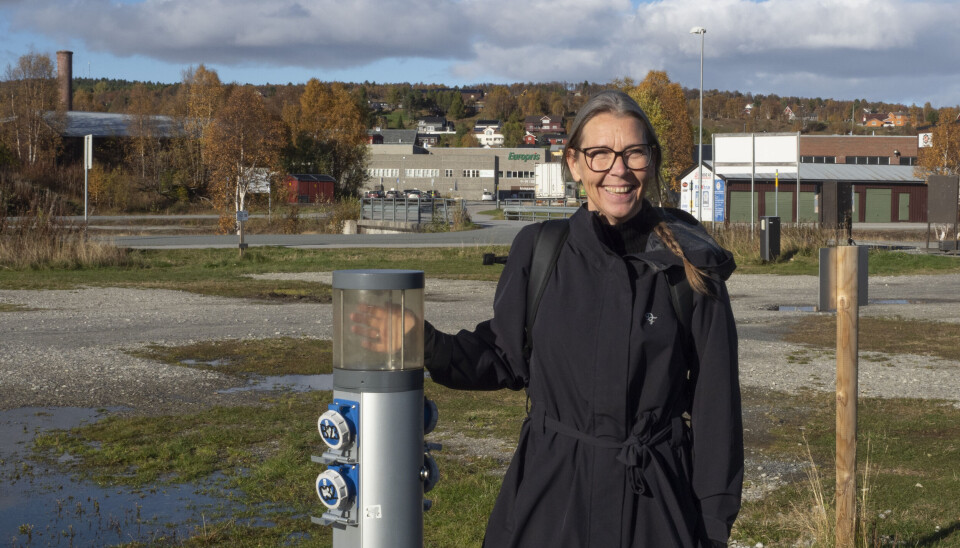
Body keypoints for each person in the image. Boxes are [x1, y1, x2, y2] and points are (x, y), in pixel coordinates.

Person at [354, 90, 742, 547]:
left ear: (651, 162)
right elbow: (502, 353)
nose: (618, 170)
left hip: (655, 505)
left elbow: (718, 410)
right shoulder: (541, 252)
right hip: (551, 496)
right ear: (574, 163)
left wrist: (713, 528)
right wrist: (426, 343)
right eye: (600, 154)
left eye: (634, 153)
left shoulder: (691, 266)